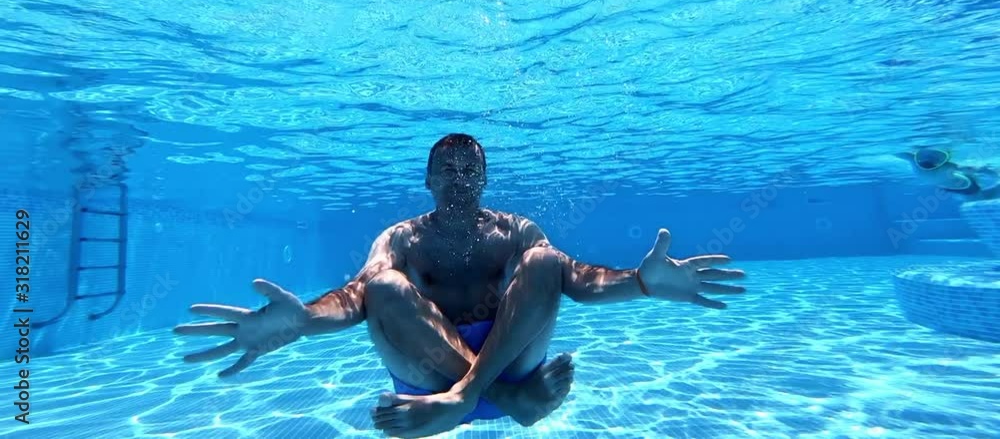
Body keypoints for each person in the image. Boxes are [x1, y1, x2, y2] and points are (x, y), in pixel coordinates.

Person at [174, 133, 747, 438]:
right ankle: (505, 401)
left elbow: (576, 280)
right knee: (386, 286)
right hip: (433, 378)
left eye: (469, 169)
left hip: (493, 369)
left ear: (485, 179)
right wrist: (304, 321)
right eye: (446, 170)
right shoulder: (401, 237)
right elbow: (356, 296)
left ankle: (469, 397)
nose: (459, 177)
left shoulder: (514, 230)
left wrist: (640, 283)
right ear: (427, 180)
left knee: (544, 261)